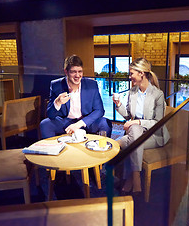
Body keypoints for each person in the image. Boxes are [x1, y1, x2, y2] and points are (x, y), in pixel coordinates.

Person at [113, 58, 169, 194]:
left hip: (155, 135)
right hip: (137, 134)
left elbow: (158, 122)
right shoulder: (133, 92)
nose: (129, 76)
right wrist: (118, 104)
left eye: (132, 73)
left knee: (128, 137)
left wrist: (136, 122)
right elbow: (127, 115)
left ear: (141, 73)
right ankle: (134, 176)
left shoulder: (157, 94)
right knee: (132, 135)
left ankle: (133, 178)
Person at [40, 55, 112, 139]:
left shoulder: (91, 85)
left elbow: (99, 110)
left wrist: (79, 124)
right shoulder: (56, 85)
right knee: (45, 124)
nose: (77, 75)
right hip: (65, 122)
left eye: (80, 71)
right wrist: (57, 103)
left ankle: (103, 149)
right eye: (73, 72)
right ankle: (52, 149)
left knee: (105, 123)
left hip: (85, 121)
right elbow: (50, 115)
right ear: (66, 72)